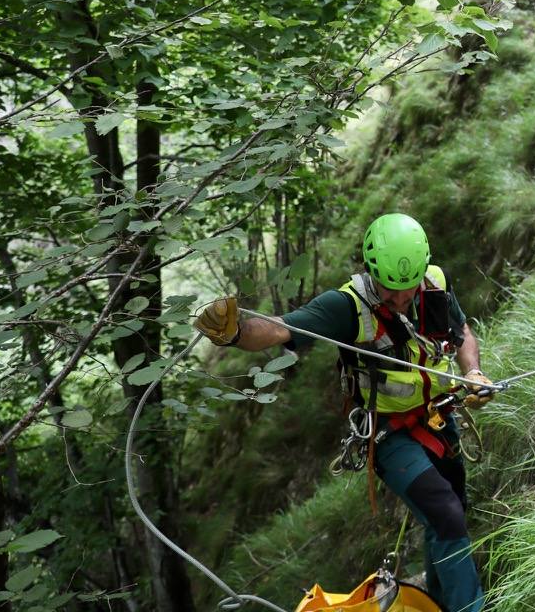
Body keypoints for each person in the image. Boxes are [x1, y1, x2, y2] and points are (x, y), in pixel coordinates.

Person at [194, 213, 493, 612]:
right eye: (391, 290)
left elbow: (462, 333)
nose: (402, 298)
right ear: (372, 272)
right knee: (445, 513)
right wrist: (233, 332)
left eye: (409, 289)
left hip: (439, 419)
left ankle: (437, 600)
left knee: (450, 513)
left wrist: (472, 371)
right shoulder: (347, 307)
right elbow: (279, 329)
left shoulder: (434, 281)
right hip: (390, 435)